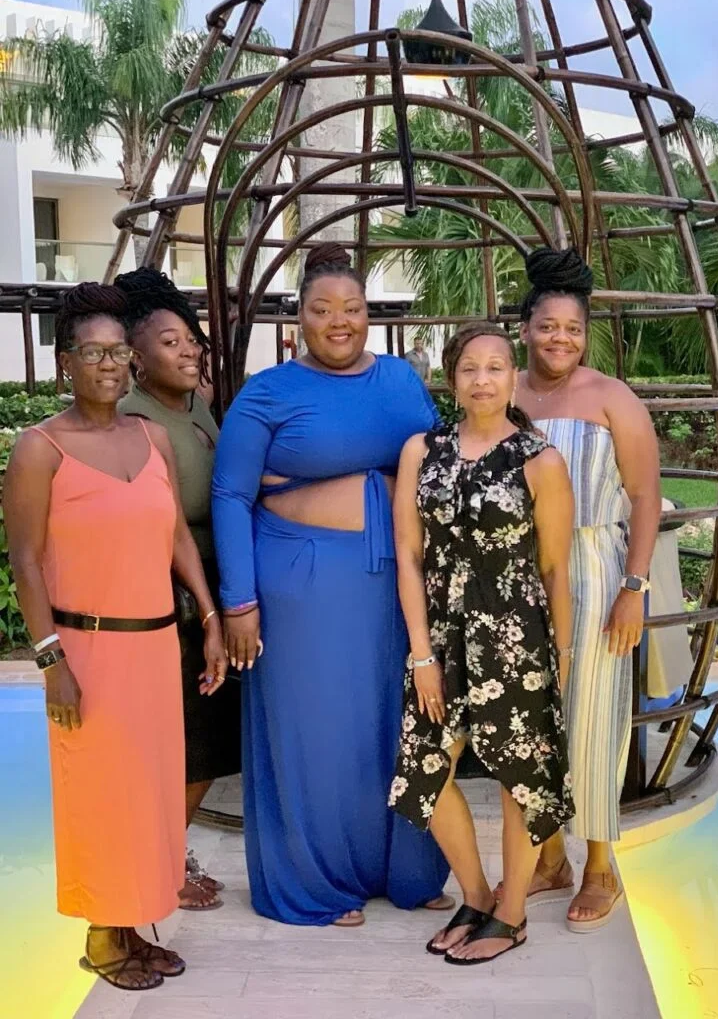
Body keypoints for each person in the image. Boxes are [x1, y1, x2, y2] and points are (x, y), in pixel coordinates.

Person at [211, 243, 451, 927]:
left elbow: (440, 463)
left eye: (352, 308)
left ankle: (404, 872)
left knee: (391, 728)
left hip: (393, 587)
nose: (339, 322)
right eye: (322, 309)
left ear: (369, 314)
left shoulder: (401, 379)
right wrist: (239, 601)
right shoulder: (269, 392)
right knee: (317, 732)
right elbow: (230, 494)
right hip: (301, 586)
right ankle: (314, 885)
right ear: (299, 319)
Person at [3, 284, 227, 990]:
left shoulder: (150, 438)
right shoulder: (39, 450)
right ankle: (103, 938)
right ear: (65, 361)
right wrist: (52, 662)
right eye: (92, 352)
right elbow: (25, 562)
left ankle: (132, 923)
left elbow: (174, 536)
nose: (108, 364)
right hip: (88, 652)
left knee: (149, 793)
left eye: (117, 352)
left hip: (156, 646)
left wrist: (210, 617)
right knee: (100, 795)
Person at [389, 322, 575, 964]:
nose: (483, 380)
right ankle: (475, 897)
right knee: (426, 766)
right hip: (441, 636)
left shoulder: (540, 460)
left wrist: (563, 657)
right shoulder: (422, 451)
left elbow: (555, 569)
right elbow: (408, 555)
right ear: (452, 378)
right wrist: (421, 653)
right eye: (470, 368)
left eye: (496, 367)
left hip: (516, 636)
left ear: (513, 377)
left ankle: (512, 913)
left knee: (520, 775)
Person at [509, 247, 661, 932]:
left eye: (572, 328)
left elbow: (646, 495)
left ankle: (600, 864)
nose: (560, 339)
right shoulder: (504, 392)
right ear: (525, 328)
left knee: (594, 717)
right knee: (529, 717)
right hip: (518, 577)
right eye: (547, 326)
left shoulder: (611, 398)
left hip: (596, 571)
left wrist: (634, 587)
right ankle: (549, 860)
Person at [115, 266, 241, 911]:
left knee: (209, 740)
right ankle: (161, 863)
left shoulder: (195, 403)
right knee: (189, 740)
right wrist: (211, 612)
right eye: (170, 343)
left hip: (212, 585)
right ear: (136, 358)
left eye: (191, 339)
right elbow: (163, 528)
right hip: (174, 595)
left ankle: (168, 852)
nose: (189, 350)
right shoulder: (134, 422)